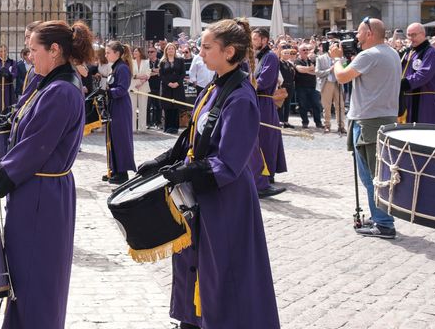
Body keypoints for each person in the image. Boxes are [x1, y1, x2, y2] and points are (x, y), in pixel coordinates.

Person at [138, 18, 280, 329]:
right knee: (194, 259)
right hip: (202, 190)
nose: (199, 52)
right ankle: (193, 318)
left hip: (224, 197)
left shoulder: (241, 97)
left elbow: (227, 163)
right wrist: (163, 160)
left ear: (229, 52)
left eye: (206, 47)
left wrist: (183, 172)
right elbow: (193, 136)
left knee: (222, 269)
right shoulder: (215, 86)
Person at [0, 20, 91, 328]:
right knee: (22, 278)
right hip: (33, 190)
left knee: (36, 278)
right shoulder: (48, 84)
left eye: (33, 49)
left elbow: (36, 146)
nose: (28, 55)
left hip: (43, 195)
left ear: (55, 51)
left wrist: (0, 176)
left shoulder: (61, 91)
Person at [330, 18, 402, 238]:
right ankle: (379, 215)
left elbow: (341, 77)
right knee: (375, 172)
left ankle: (384, 223)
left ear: (370, 33)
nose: (356, 37)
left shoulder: (369, 55)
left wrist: (337, 59)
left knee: (372, 174)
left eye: (359, 33)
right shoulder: (391, 53)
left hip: (369, 121)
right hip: (383, 118)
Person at [250, 28, 286, 198]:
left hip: (264, 102)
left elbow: (264, 81)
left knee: (266, 139)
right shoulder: (259, 57)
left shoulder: (270, 56)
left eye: (255, 38)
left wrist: (246, 84)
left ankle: (267, 174)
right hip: (257, 101)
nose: (253, 41)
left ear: (264, 40)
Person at [104, 41, 135, 185]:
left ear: (117, 53)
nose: (106, 55)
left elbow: (122, 89)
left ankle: (122, 173)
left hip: (121, 107)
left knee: (120, 139)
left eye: (108, 52)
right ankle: (114, 170)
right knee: (113, 137)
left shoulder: (122, 68)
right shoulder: (115, 67)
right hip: (114, 105)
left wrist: (108, 92)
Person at [399, 22, 435, 123]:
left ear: (423, 34)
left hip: (424, 100)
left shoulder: (431, 52)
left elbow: (423, 75)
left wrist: (402, 83)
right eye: (408, 35)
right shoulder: (408, 52)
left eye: (414, 35)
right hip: (407, 99)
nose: (410, 38)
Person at [316, 43, 346, 134]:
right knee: (327, 106)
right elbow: (317, 72)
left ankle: (341, 126)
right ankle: (327, 125)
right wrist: (330, 70)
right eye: (334, 47)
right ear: (330, 48)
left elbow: (345, 69)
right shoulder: (320, 58)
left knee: (340, 105)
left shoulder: (341, 58)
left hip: (338, 83)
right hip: (327, 83)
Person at [293, 44, 324, 130]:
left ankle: (318, 123)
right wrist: (310, 69)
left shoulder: (312, 61)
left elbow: (316, 71)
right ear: (299, 51)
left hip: (313, 87)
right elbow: (299, 69)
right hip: (301, 87)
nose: (306, 51)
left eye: (307, 49)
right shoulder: (297, 61)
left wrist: (307, 69)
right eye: (303, 50)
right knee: (303, 106)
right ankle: (305, 122)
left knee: (316, 105)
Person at [159, 43, 186, 133]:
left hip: (178, 87)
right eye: (169, 49)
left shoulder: (180, 60)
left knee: (175, 107)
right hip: (167, 88)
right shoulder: (163, 62)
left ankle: (175, 127)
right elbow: (161, 75)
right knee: (168, 107)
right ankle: (167, 127)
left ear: (175, 50)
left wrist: (178, 83)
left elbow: (183, 73)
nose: (170, 50)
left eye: (172, 48)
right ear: (166, 51)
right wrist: (168, 83)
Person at [130, 46, 151, 132]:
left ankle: (142, 127)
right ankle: (133, 128)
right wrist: (137, 76)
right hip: (132, 87)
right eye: (134, 51)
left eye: (136, 51)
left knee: (143, 107)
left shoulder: (146, 62)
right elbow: (130, 74)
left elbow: (147, 74)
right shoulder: (131, 62)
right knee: (132, 107)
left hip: (143, 86)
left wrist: (141, 82)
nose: (134, 53)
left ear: (140, 52)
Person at [0, 44, 16, 113]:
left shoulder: (12, 62)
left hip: (9, 87)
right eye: (1, 51)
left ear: (7, 51)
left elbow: (15, 74)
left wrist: (7, 73)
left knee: (9, 105)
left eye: (4, 51)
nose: (3, 53)